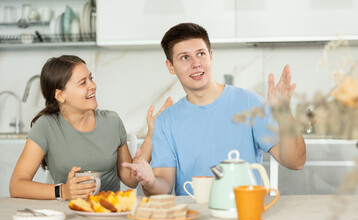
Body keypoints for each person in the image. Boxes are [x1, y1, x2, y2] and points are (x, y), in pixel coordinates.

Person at [123, 23, 306, 196]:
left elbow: (295, 162)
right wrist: (149, 182)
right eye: (185, 57)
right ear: (170, 66)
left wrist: (284, 115)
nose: (196, 63)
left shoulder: (250, 103)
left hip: (244, 215)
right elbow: (164, 186)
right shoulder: (165, 121)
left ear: (211, 55)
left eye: (201, 54)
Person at [9, 55, 173, 200]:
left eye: (91, 78)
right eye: (82, 83)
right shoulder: (46, 126)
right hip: (69, 213)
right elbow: (16, 185)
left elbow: (130, 179)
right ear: (60, 95)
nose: (92, 85)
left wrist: (152, 133)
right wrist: (63, 191)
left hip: (108, 212)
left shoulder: (111, 121)